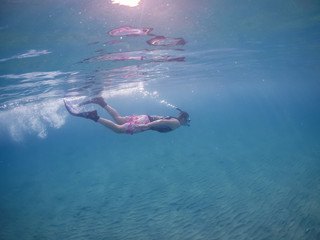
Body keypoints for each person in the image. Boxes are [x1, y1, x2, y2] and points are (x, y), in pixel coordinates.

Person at [64, 97, 190, 134]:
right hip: (145, 123)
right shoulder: (176, 123)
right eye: (187, 121)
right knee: (118, 129)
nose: (187, 123)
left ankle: (102, 103)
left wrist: (143, 119)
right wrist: (145, 124)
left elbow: (160, 118)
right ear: (183, 118)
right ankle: (93, 116)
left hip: (145, 118)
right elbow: (160, 122)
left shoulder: (174, 119)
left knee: (119, 120)